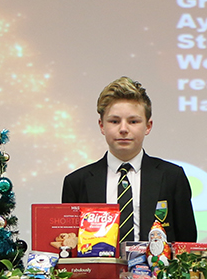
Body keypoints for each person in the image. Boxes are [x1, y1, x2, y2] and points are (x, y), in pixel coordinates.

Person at [61, 77, 197, 244]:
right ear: (102, 126)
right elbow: (69, 244)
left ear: (148, 126)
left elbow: (187, 243)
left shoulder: (172, 177)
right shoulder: (77, 182)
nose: (123, 129)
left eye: (133, 121)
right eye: (114, 121)